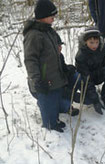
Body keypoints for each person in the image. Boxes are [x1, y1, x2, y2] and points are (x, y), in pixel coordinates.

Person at [23, 0, 74, 133]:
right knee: (48, 102)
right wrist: (37, 80)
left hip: (54, 76)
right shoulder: (34, 35)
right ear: (42, 16)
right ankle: (50, 124)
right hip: (43, 80)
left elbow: (55, 41)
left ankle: (54, 116)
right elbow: (30, 60)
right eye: (52, 15)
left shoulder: (47, 30)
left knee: (56, 99)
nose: (54, 18)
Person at [75, 26, 105, 115]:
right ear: (85, 42)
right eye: (91, 43)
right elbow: (86, 78)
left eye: (96, 42)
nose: (94, 45)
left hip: (98, 74)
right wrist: (95, 100)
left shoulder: (102, 48)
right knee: (89, 99)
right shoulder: (81, 56)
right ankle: (92, 98)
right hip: (87, 79)